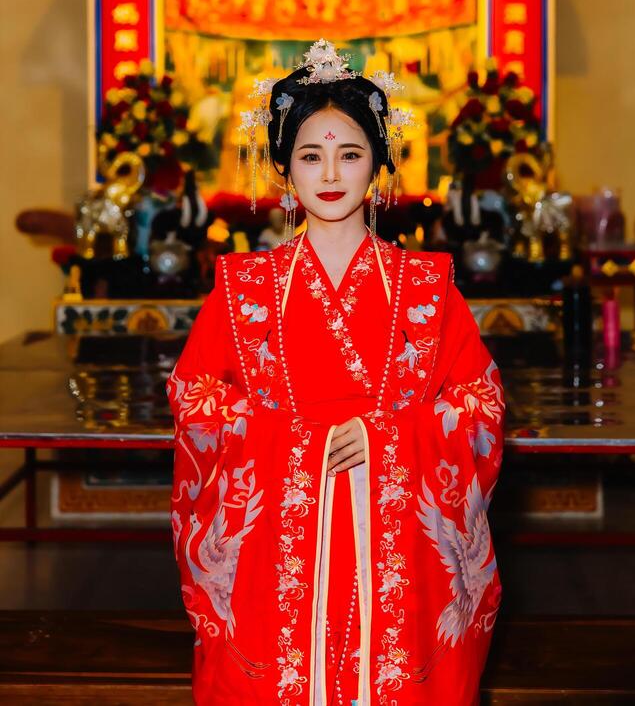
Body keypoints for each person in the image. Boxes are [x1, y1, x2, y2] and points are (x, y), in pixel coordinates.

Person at [167, 40, 504, 706]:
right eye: (310, 155)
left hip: (396, 551)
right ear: (283, 167)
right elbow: (195, 400)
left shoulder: (427, 288)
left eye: (349, 154)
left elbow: (479, 403)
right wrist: (292, 438)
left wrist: (387, 438)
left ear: (377, 163)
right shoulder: (244, 288)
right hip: (277, 549)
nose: (330, 173)